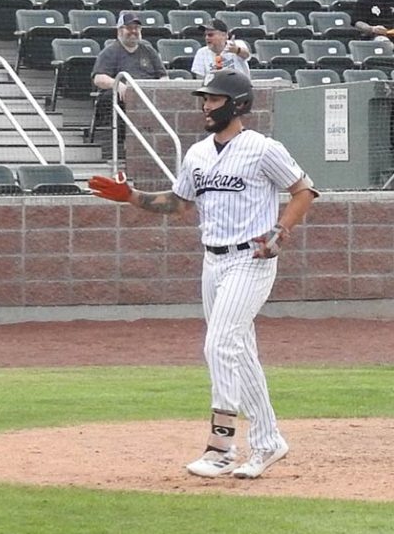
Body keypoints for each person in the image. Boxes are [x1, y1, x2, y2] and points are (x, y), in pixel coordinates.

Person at [88, 69, 318, 479]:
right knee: (238, 351)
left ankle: (221, 446)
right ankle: (268, 441)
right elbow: (179, 204)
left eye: (214, 99)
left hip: (252, 258)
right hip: (212, 261)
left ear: (239, 105)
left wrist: (280, 231)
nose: (206, 106)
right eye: (205, 99)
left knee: (219, 344)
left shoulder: (263, 149)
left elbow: (304, 190)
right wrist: (132, 196)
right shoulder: (197, 153)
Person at [90, 11, 168, 150]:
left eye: (136, 28)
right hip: (121, 96)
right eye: (129, 28)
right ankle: (128, 143)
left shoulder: (149, 50)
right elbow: (98, 78)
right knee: (123, 96)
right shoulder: (110, 52)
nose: (133, 31)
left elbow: (163, 76)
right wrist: (118, 84)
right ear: (119, 31)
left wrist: (160, 89)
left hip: (147, 93)